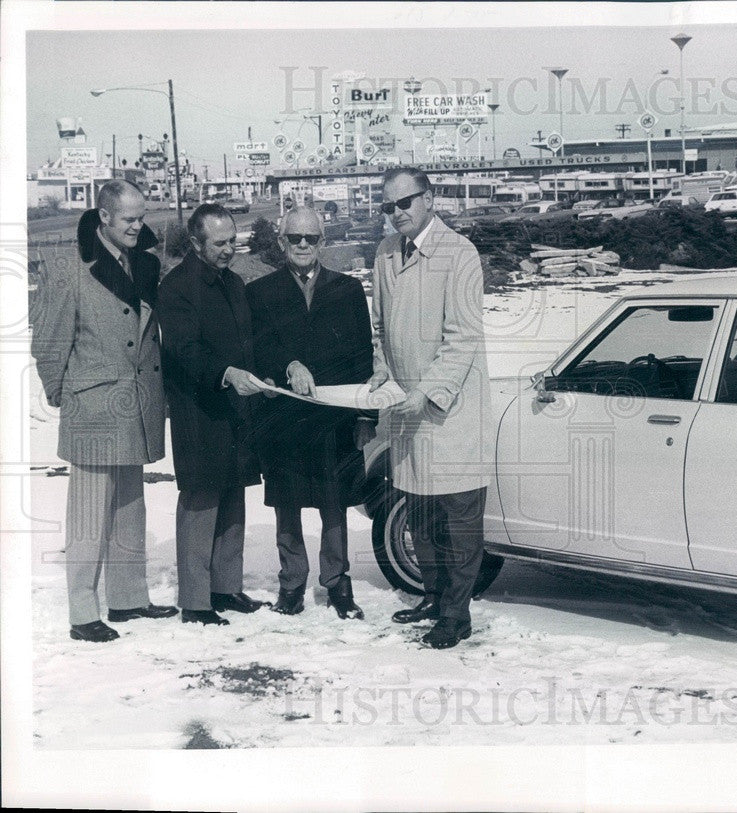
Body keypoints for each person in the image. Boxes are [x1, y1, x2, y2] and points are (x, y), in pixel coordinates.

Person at [31, 180, 178, 642]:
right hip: (93, 406)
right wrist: (63, 395)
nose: (139, 226)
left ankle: (129, 598)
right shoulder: (69, 267)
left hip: (137, 405)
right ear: (105, 217)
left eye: (143, 217)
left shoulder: (146, 264)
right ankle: (82, 611)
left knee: (130, 506)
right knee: (90, 514)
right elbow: (50, 342)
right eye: (130, 219)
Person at [369, 166, 501, 649]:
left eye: (405, 203)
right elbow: (379, 326)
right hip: (406, 410)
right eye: (388, 207)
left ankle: (456, 615)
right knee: (419, 513)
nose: (396, 214)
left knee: (458, 519)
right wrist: (382, 372)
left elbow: (463, 337)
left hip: (450, 410)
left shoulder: (460, 254)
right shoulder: (385, 253)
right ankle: (432, 596)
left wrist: (426, 391)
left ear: (429, 199)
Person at [246, 206, 376, 618]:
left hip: (335, 418)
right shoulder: (259, 292)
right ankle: (291, 584)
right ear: (282, 242)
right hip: (283, 417)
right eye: (295, 239)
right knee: (286, 502)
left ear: (324, 241)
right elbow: (256, 346)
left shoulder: (349, 289)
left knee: (334, 502)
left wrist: (364, 417)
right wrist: (287, 364)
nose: (303, 246)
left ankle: (338, 583)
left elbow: (362, 355)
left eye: (312, 238)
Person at [157, 203, 267, 626]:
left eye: (232, 241)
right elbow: (183, 351)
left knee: (234, 495)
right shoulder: (178, 287)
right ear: (196, 243)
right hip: (200, 411)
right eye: (219, 243)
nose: (229, 250)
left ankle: (226, 587)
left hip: (237, 407)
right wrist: (226, 374)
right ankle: (196, 601)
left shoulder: (235, 282)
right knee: (202, 499)